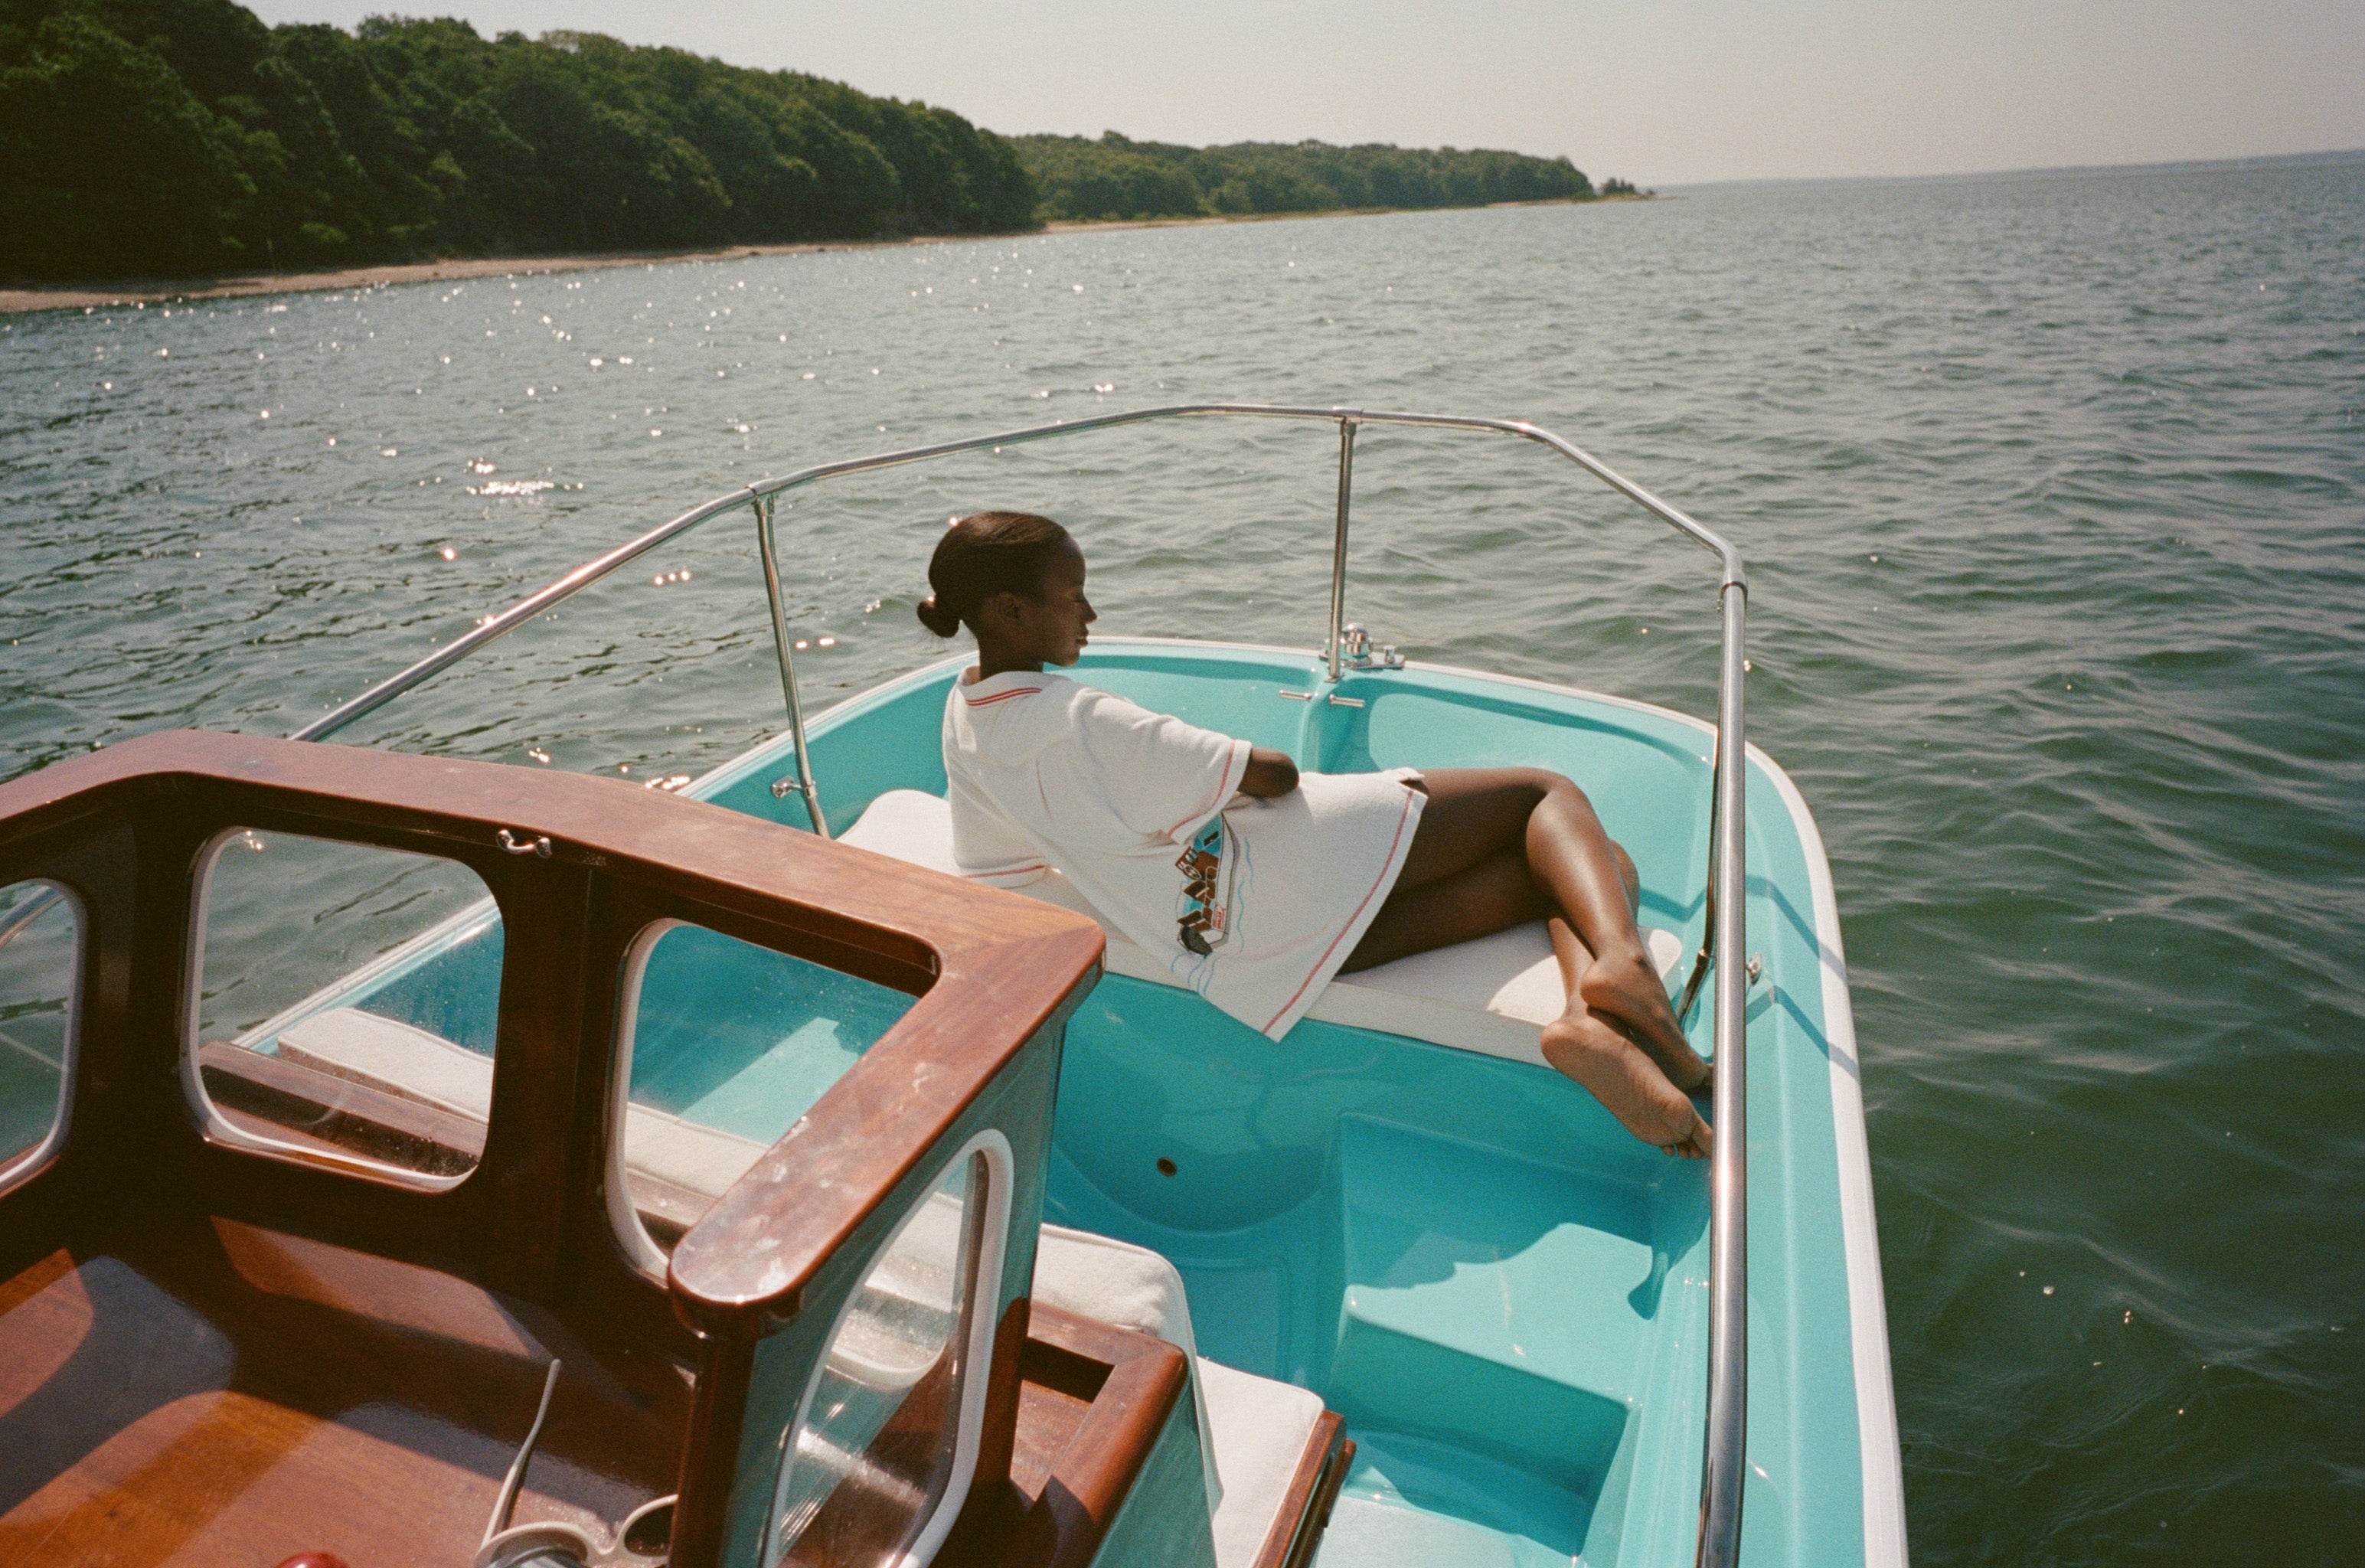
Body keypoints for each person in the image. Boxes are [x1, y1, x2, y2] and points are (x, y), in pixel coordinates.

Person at [918, 511, 1712, 1158]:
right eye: (1072, 594)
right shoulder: (1083, 717)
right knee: (1544, 794)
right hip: (1286, 865)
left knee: (1583, 866)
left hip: (1233, 953)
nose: (1088, 614)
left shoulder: (964, 719)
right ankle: (1621, 965)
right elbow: (1271, 774)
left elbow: (993, 866)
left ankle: (1587, 1016)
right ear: (1010, 610)